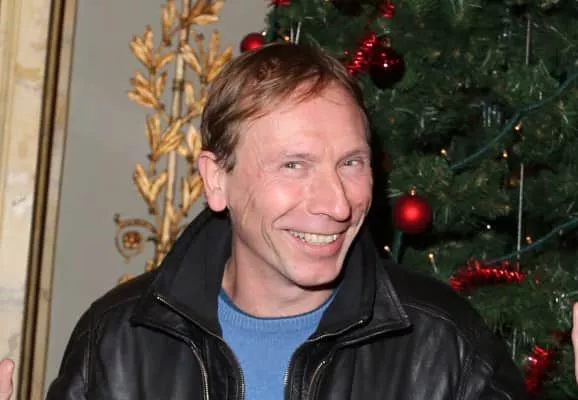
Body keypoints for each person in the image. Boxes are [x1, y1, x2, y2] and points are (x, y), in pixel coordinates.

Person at [0, 43, 550, 399]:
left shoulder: (443, 340)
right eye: (294, 165)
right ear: (217, 179)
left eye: (351, 163)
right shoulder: (119, 338)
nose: (337, 204)